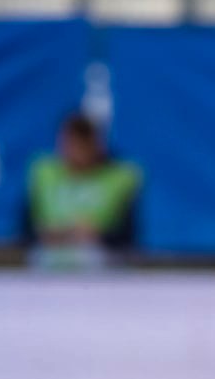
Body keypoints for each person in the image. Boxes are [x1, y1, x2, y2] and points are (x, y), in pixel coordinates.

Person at [22, 111, 142, 269]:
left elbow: (129, 236)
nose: (76, 151)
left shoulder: (122, 176)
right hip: (46, 260)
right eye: (70, 143)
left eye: (82, 144)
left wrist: (98, 236)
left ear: (96, 144)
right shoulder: (43, 171)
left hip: (102, 265)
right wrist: (47, 234)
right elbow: (24, 229)